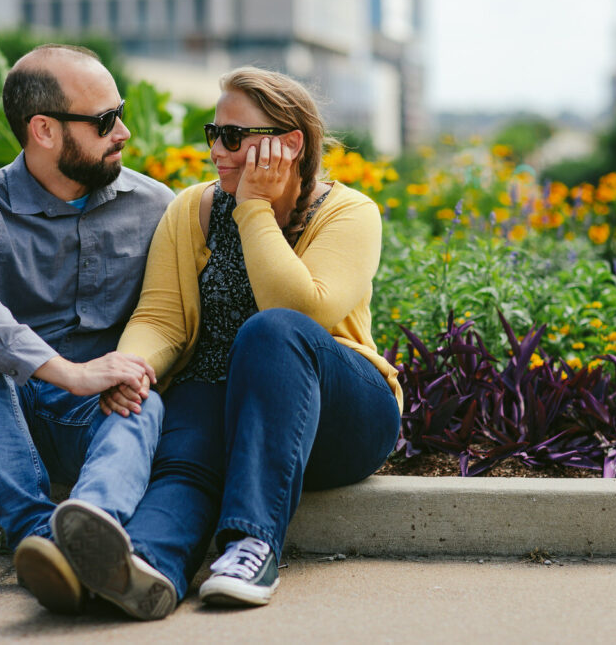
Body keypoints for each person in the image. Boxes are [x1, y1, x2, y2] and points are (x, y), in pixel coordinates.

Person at [48, 66, 403, 619]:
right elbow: (162, 319)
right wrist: (131, 368)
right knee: (187, 432)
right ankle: (140, 568)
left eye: (234, 137)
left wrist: (255, 208)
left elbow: (302, 309)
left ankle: (253, 547)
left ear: (289, 145)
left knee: (270, 331)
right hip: (221, 403)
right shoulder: (192, 209)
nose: (218, 150)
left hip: (342, 417)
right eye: (215, 134)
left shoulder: (350, 213)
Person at [0, 44, 174, 616]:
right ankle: (39, 533)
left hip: (94, 422)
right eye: (106, 120)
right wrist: (68, 372)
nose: (125, 132)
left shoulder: (156, 205)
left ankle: (83, 535)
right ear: (44, 131)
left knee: (143, 400)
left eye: (121, 112)